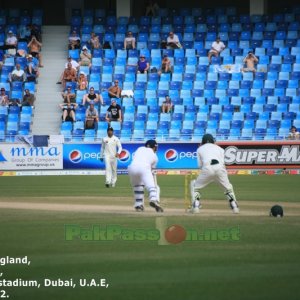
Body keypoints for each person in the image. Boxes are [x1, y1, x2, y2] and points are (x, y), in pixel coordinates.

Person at [190, 134, 239, 214]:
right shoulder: (220, 149)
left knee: (195, 186)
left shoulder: (199, 149)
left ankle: (196, 207)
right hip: (220, 168)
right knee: (228, 188)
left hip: (207, 168)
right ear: (213, 140)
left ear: (203, 141)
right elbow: (223, 163)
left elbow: (199, 165)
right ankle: (235, 207)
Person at [128, 140, 163, 212]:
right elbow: (152, 171)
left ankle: (138, 205)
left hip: (131, 168)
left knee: (138, 186)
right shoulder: (155, 157)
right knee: (152, 187)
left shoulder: (140, 149)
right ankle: (153, 199)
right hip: (144, 167)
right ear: (154, 147)